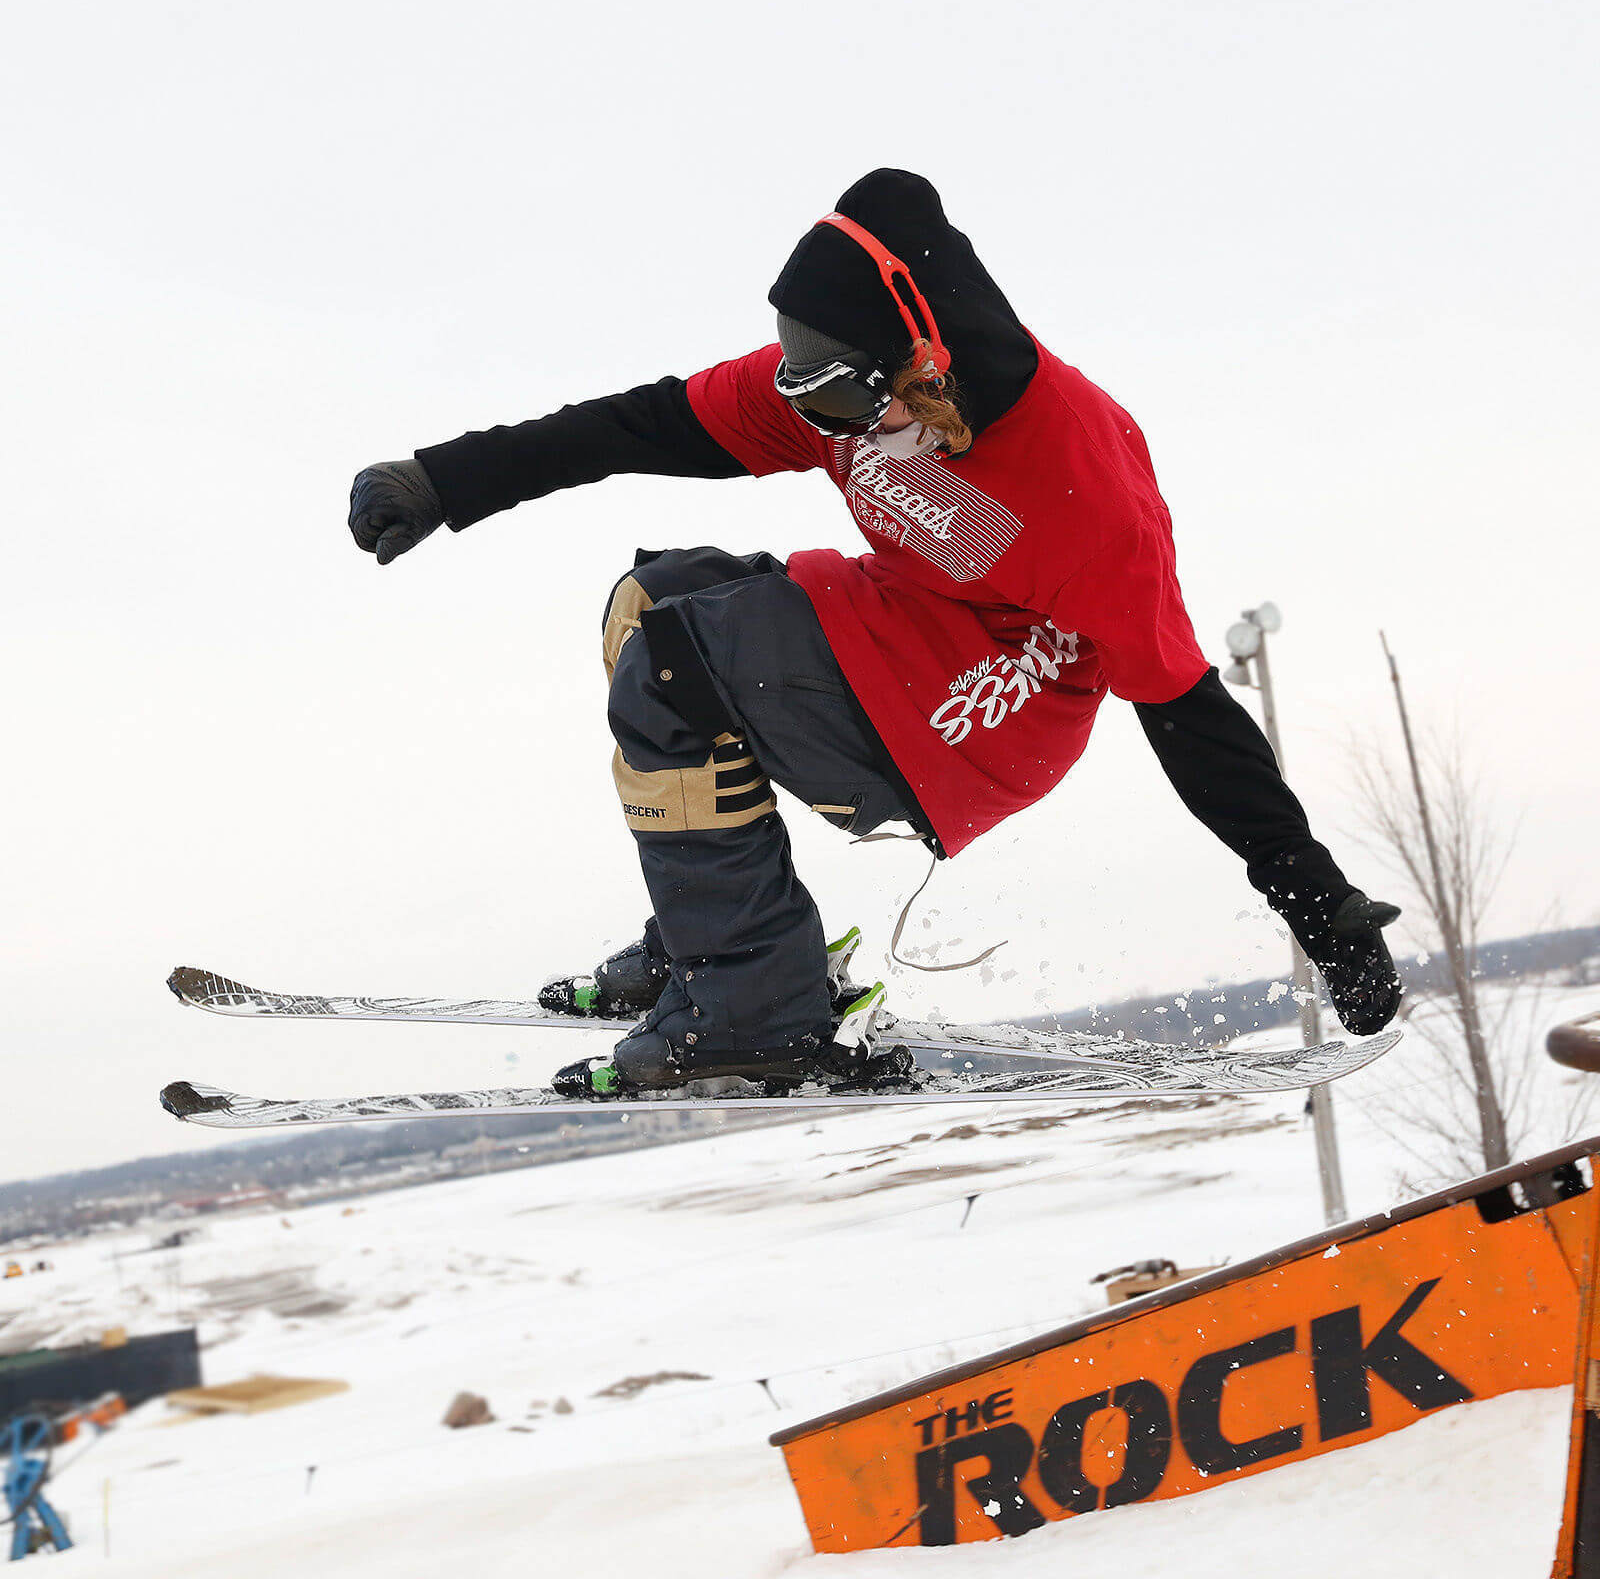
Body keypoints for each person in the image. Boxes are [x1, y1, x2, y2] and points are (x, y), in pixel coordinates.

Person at [347, 169, 1401, 1098]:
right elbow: (647, 421)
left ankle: (762, 1015)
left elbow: (1186, 711)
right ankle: (711, 942)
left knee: (673, 670)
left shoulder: (1082, 487)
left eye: (859, 404)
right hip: (892, 625)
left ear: (929, 360)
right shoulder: (833, 395)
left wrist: (1321, 908)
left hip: (987, 710)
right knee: (648, 607)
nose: (839, 432)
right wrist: (443, 479)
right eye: (813, 403)